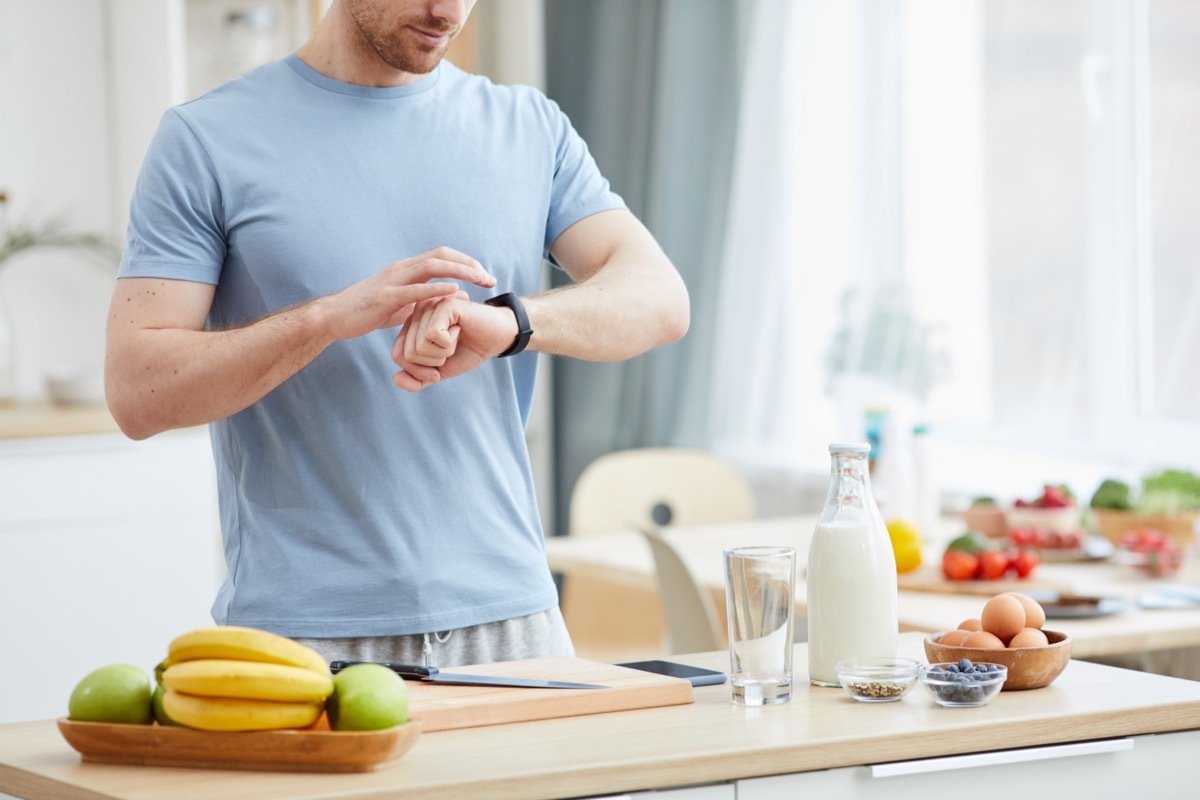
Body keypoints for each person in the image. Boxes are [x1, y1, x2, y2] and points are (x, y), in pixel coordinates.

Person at [104, 0, 689, 668]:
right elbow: (137, 390)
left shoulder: (529, 127)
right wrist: (330, 319)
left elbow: (660, 299)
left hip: (516, 625)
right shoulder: (205, 139)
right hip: (304, 639)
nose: (447, 10)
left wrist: (512, 323)